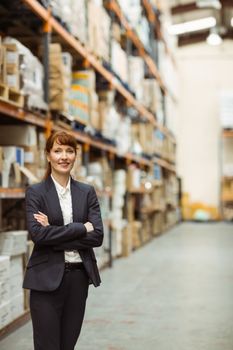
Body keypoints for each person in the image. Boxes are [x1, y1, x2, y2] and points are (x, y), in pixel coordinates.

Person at [23, 130, 104, 350]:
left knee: (68, 345)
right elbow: (38, 235)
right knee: (47, 346)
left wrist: (54, 232)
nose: (64, 156)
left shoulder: (86, 192)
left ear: (75, 155)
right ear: (48, 155)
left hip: (78, 279)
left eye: (69, 151)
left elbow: (97, 236)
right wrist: (80, 228)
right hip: (45, 280)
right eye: (57, 151)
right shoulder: (36, 193)